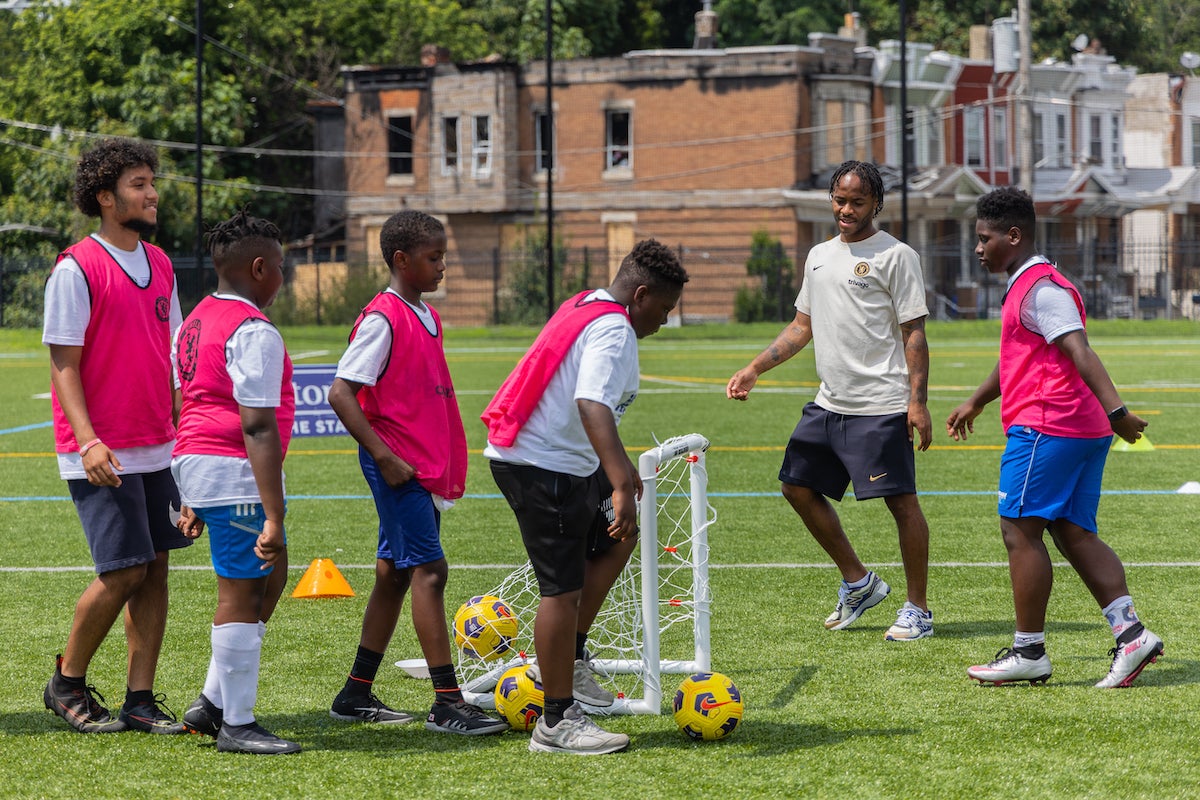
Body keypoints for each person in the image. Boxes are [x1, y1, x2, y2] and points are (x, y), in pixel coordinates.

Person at [948, 186, 1164, 688]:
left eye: (985, 239)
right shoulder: (1028, 286)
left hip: (1051, 426)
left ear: (1014, 236)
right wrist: (979, 400)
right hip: (1075, 428)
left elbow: (1079, 350)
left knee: (1019, 529)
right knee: (1072, 532)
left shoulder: (1041, 289)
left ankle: (1029, 652)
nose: (978, 249)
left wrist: (1120, 413)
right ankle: (1131, 635)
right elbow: (1021, 360)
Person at [483, 238, 689, 755]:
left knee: (620, 536)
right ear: (640, 295)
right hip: (539, 467)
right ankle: (556, 723)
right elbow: (590, 402)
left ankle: (570, 660)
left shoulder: (588, 302)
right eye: (663, 309)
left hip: (565, 462)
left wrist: (613, 469)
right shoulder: (614, 329)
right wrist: (619, 477)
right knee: (561, 589)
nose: (663, 322)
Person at [726, 159, 934, 641]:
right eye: (839, 200)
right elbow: (802, 327)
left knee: (902, 505)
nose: (846, 209)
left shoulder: (897, 256)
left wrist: (916, 402)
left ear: (875, 204)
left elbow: (914, 334)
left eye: (857, 202)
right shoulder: (818, 256)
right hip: (828, 403)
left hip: (881, 403)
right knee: (795, 487)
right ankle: (859, 582)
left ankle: (918, 610)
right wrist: (755, 367)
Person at [327, 210, 506, 736]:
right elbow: (341, 392)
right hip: (398, 466)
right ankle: (447, 702)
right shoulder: (383, 317)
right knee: (431, 571)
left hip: (418, 464)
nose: (443, 266)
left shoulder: (424, 313)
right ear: (401, 260)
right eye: (434, 257)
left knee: (396, 573)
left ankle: (355, 692)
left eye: (443, 256)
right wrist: (384, 455)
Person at [41, 138, 191, 734]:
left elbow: (177, 358)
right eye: (137, 184)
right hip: (101, 449)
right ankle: (67, 683)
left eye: (152, 182)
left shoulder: (161, 264)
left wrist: (185, 447)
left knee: (155, 567)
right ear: (104, 197)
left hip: (160, 445)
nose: (151, 193)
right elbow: (63, 365)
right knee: (124, 569)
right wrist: (87, 441)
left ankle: (140, 698)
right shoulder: (76, 267)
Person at [172, 210, 301, 754]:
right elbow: (256, 423)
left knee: (271, 576)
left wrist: (194, 492)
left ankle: (212, 702)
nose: (284, 276)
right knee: (243, 590)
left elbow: (185, 400)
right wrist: (272, 513)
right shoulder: (253, 330)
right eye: (280, 266)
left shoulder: (197, 318)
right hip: (231, 468)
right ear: (258, 267)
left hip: (204, 465)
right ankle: (238, 724)